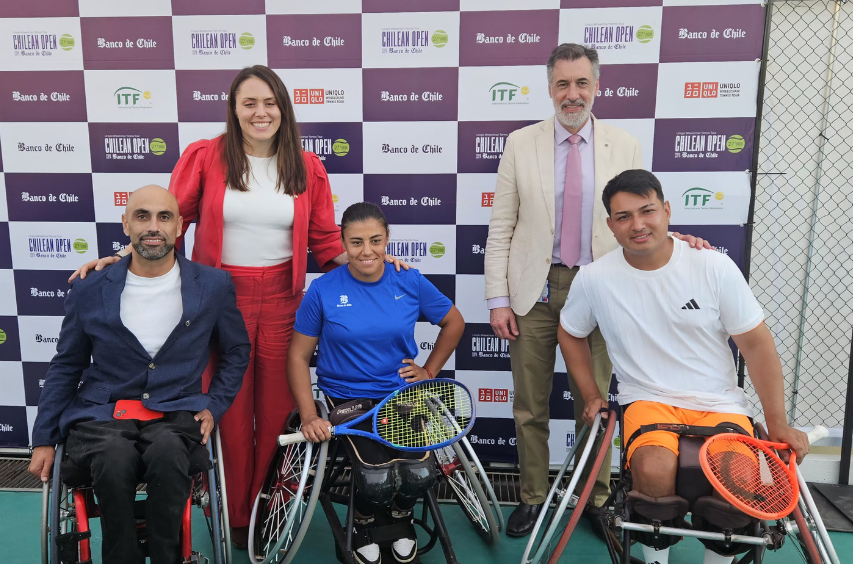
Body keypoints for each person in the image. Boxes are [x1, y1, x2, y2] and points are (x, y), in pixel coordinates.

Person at [69, 65, 407, 548]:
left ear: (283, 108)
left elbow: (325, 239)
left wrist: (373, 262)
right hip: (220, 299)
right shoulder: (205, 157)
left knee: (277, 412)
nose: (260, 112)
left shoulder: (306, 166)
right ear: (234, 109)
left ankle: (270, 509)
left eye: (269, 102)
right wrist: (122, 258)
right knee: (224, 410)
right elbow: (169, 221)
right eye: (249, 103)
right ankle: (234, 514)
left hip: (285, 299)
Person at [484, 43, 711, 538]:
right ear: (550, 88)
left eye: (582, 83)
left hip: (602, 290)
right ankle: (532, 496)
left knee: (595, 404)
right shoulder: (520, 143)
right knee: (529, 405)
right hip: (535, 291)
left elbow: (639, 217)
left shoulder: (624, 144)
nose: (573, 93)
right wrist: (498, 300)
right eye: (563, 84)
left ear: (597, 87)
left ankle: (597, 499)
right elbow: (501, 227)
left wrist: (680, 241)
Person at [558, 170, 810, 564]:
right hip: (648, 400)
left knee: (738, 478)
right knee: (653, 469)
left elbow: (756, 345)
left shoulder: (713, 266)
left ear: (667, 211)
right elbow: (570, 332)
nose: (637, 225)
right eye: (623, 216)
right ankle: (656, 559)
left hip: (719, 402)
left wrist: (777, 422)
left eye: (647, 211)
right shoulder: (594, 279)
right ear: (610, 224)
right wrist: (591, 394)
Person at [28, 185, 251, 564]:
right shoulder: (89, 287)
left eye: (164, 217)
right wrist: (44, 439)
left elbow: (236, 351)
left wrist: (215, 405)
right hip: (101, 415)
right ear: (126, 224)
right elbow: (67, 364)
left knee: (167, 453)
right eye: (142, 216)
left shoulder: (213, 286)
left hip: (176, 413)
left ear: (179, 225)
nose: (153, 226)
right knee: (113, 457)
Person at [288, 202, 465, 564]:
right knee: (375, 478)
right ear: (343, 243)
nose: (366, 251)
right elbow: (297, 357)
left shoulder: (409, 279)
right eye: (356, 242)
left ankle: (401, 517)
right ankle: (364, 521)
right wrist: (309, 415)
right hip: (346, 398)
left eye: (375, 240)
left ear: (387, 239)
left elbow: (454, 322)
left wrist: (429, 370)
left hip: (401, 394)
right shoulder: (322, 290)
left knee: (420, 473)